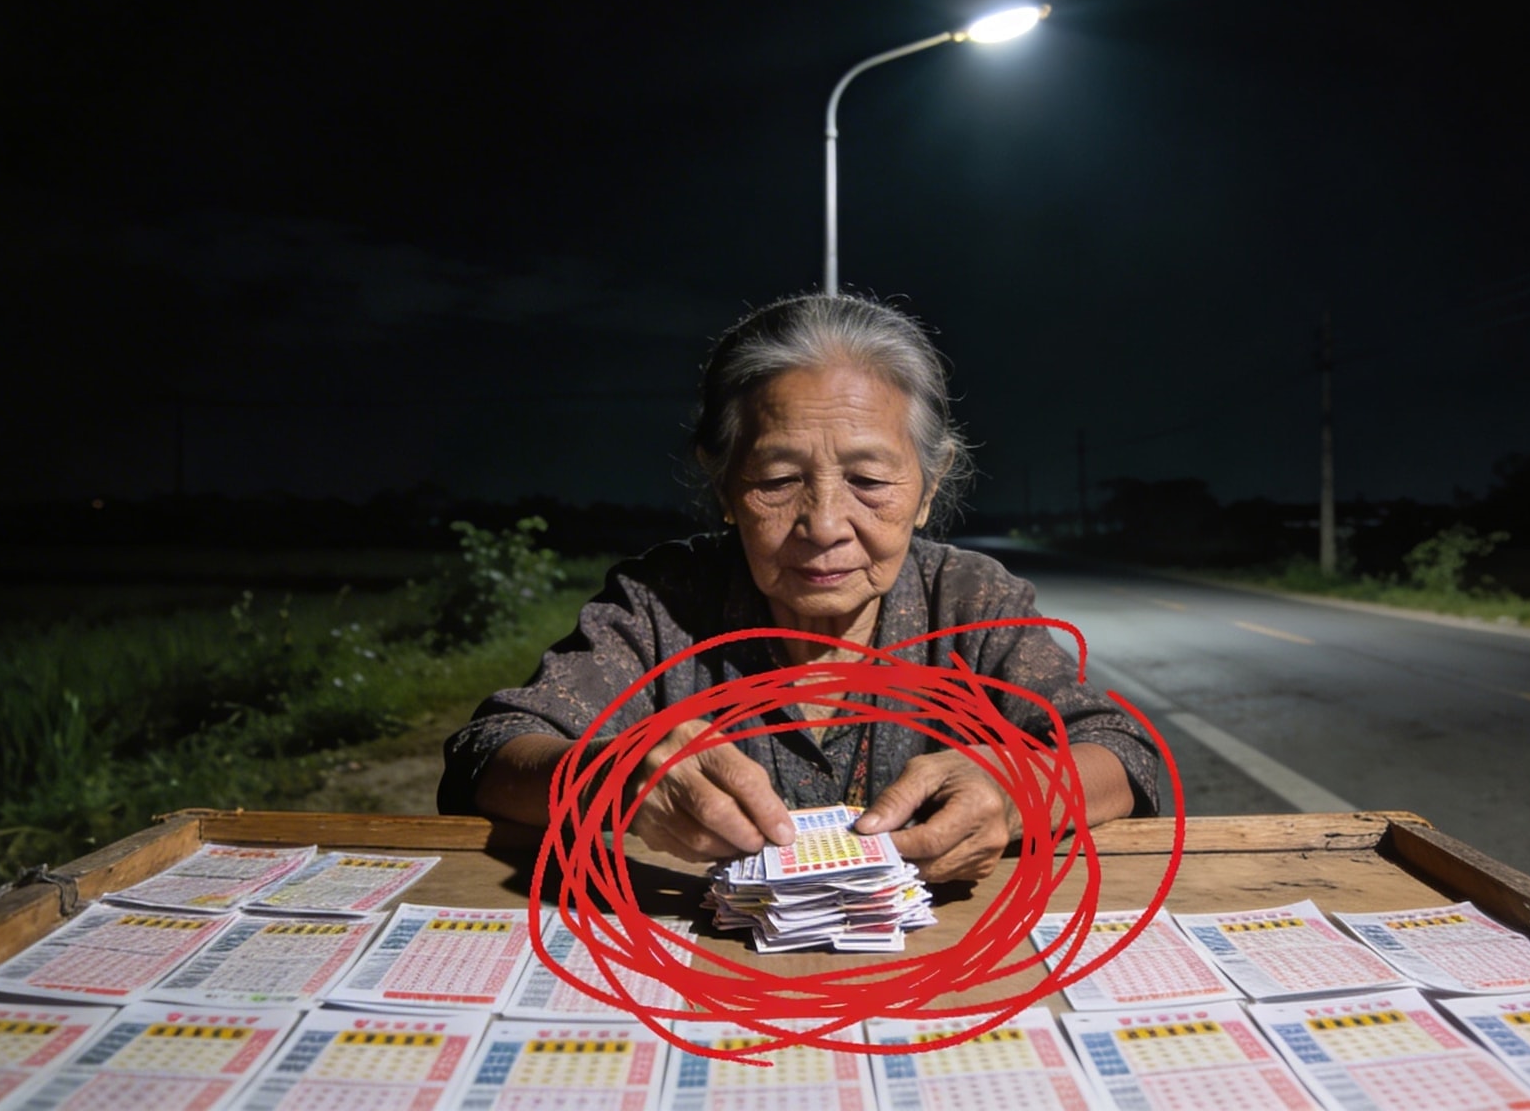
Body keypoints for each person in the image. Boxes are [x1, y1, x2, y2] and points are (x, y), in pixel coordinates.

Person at [438, 293, 1164, 882]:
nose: (822, 525)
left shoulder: (971, 599)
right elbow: (491, 753)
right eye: (777, 481)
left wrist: (1018, 790)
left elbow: (1120, 751)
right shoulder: (665, 602)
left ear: (927, 488)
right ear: (724, 485)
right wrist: (609, 777)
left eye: (870, 481)